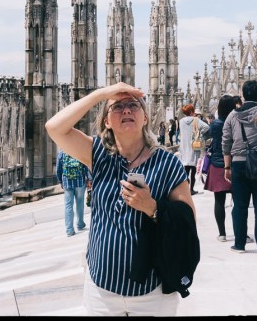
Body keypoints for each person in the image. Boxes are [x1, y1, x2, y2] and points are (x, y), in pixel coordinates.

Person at [44, 82, 195, 315]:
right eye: (117, 107)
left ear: (145, 117)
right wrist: (101, 93)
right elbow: (54, 127)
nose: (126, 110)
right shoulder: (97, 154)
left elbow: (187, 220)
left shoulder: (168, 163)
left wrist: (152, 207)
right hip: (101, 288)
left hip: (152, 291)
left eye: (133, 105)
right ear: (106, 121)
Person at [222, 79, 257, 255]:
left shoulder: (232, 115)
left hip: (238, 163)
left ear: (243, 95)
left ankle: (239, 244)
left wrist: (227, 167)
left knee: (239, 205)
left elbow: (226, 142)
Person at [205, 95, 235, 242]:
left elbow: (208, 137)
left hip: (217, 165)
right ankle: (241, 233)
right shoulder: (235, 122)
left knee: (219, 201)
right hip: (234, 164)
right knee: (239, 201)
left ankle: (222, 234)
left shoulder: (215, 124)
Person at [56, 149, 91, 236]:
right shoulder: (78, 150)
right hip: (80, 181)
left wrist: (60, 181)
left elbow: (58, 169)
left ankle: (69, 230)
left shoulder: (61, 153)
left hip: (67, 182)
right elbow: (86, 166)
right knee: (80, 203)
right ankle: (80, 224)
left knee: (68, 205)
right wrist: (89, 179)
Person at [179, 104, 209, 195]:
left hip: (184, 147)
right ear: (192, 112)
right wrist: (199, 133)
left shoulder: (181, 121)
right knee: (193, 168)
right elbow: (206, 127)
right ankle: (191, 189)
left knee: (186, 169)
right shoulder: (196, 120)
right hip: (193, 146)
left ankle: (185, 189)